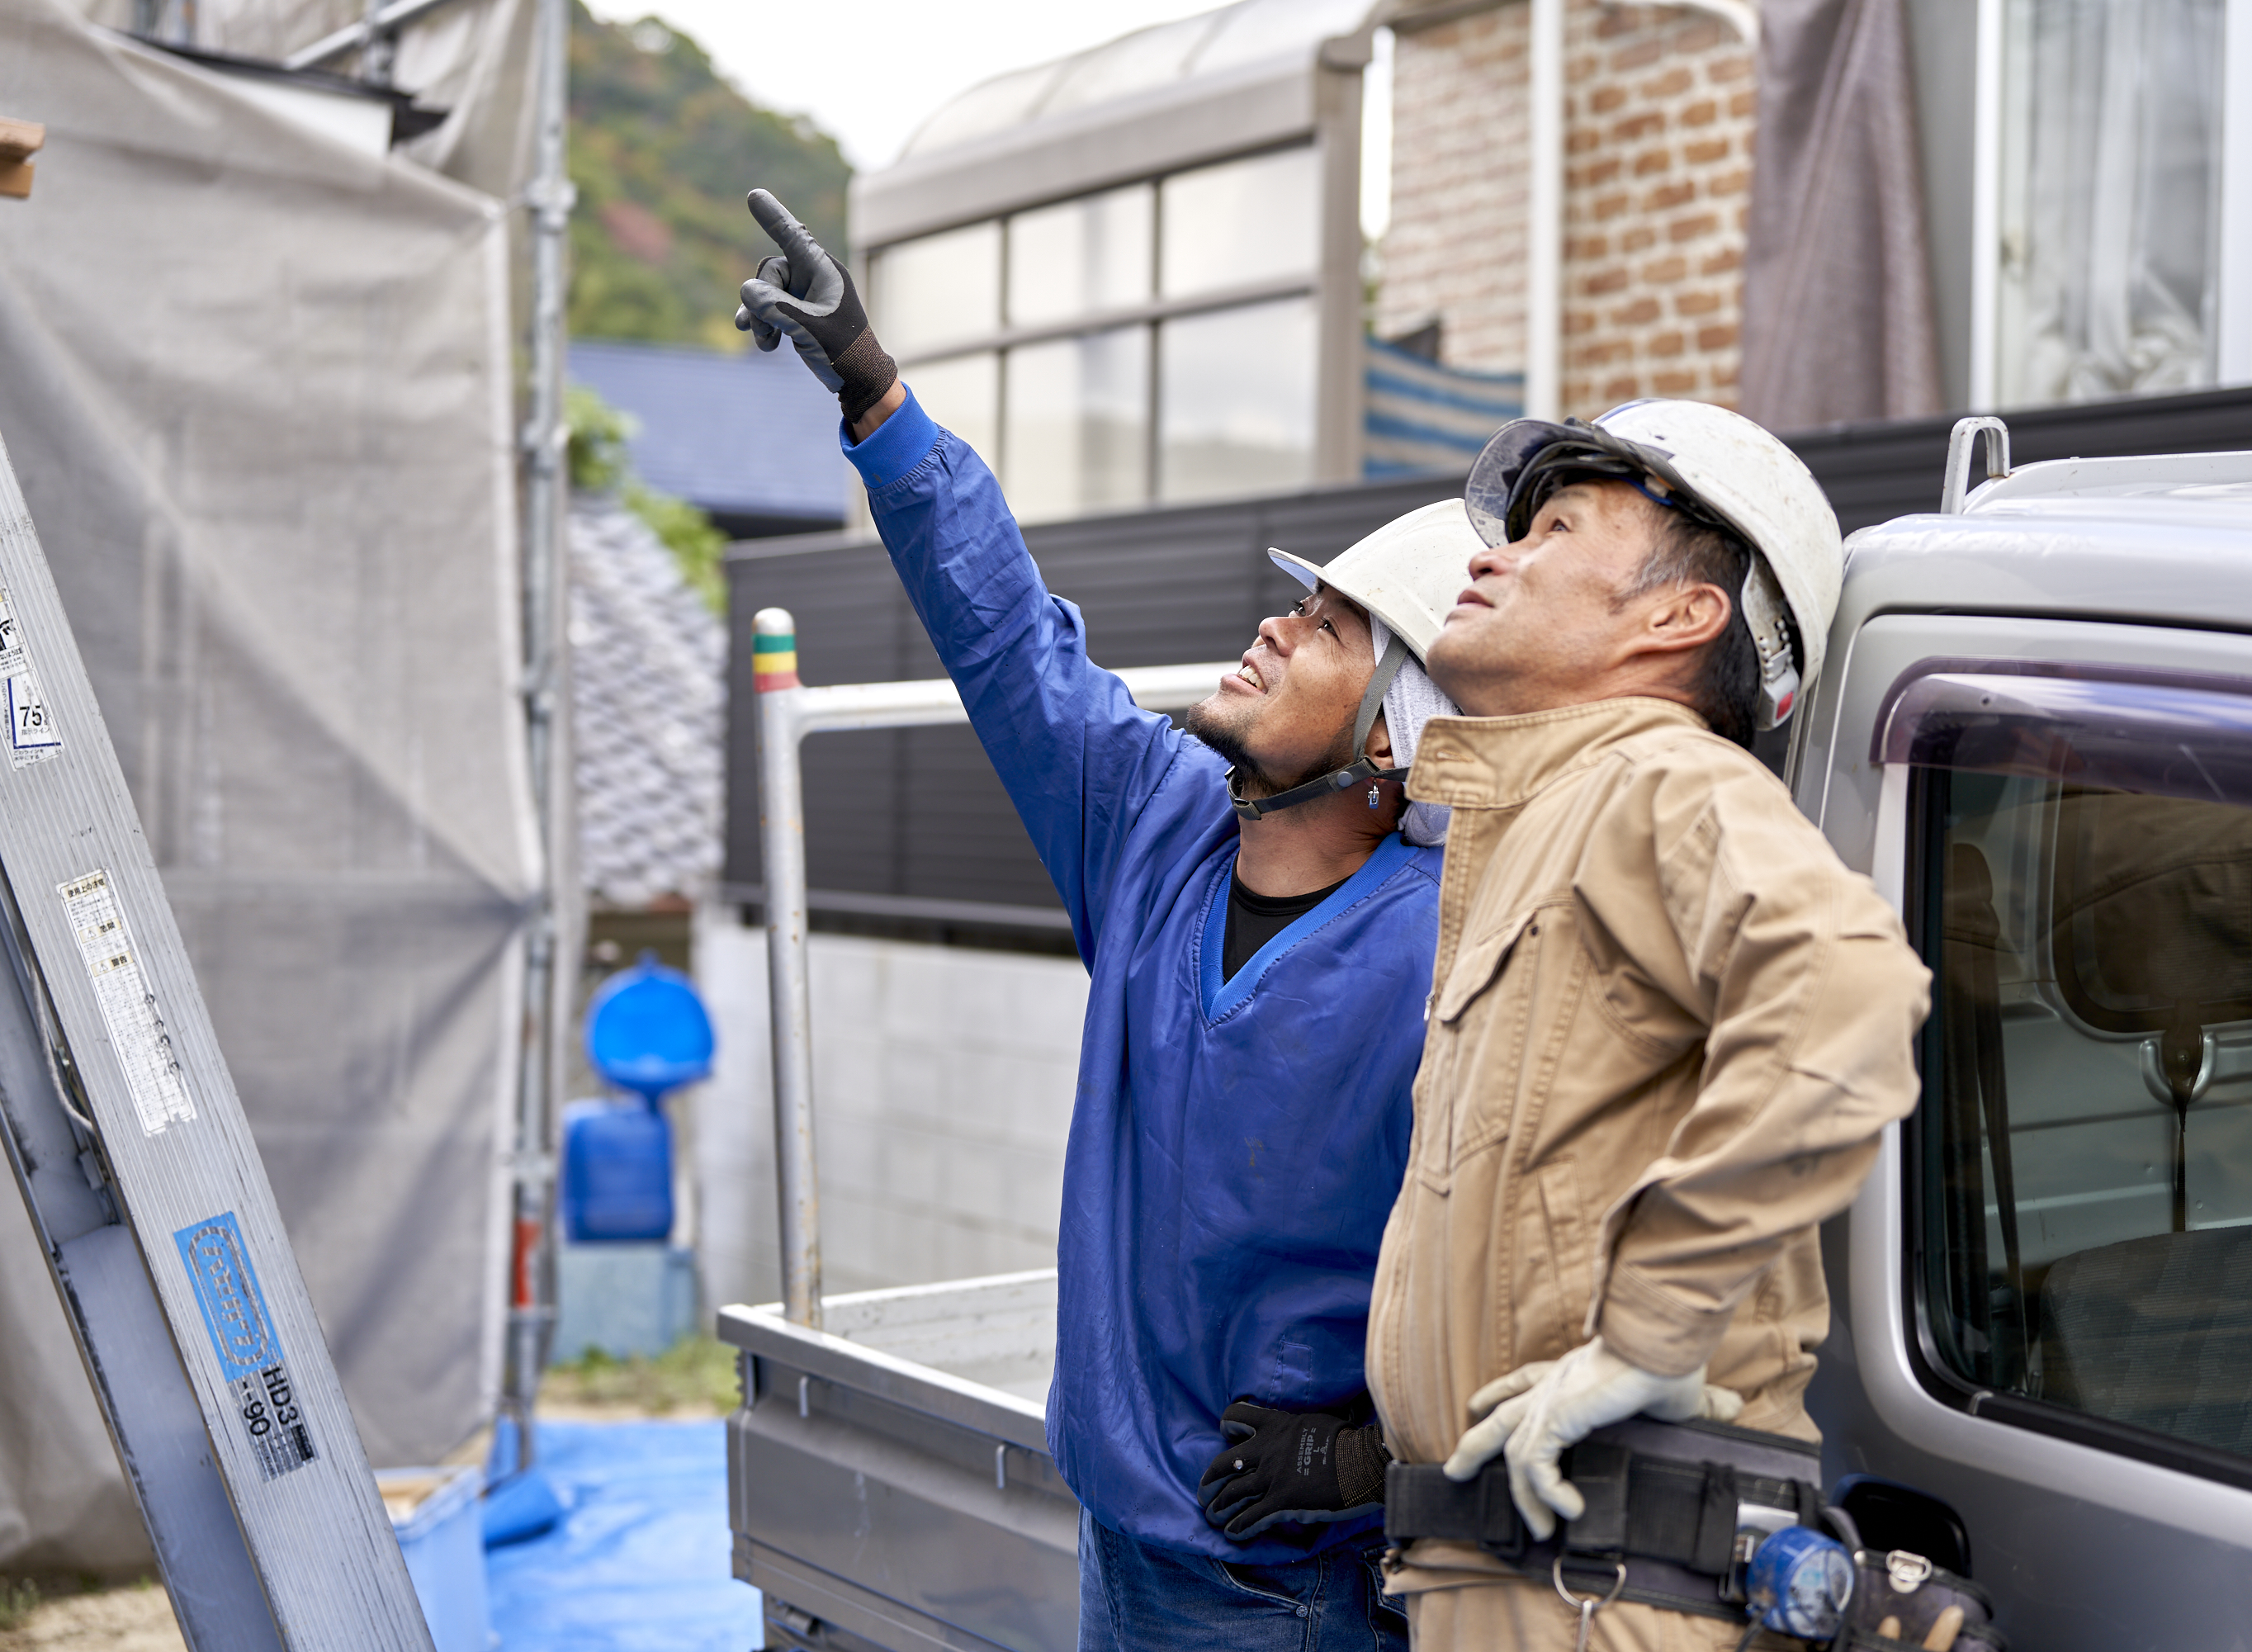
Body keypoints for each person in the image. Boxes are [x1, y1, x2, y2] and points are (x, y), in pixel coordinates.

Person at [732, 188, 1475, 1651]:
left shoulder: (1444, 956)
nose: (1271, 625)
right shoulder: (1157, 823)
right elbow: (1010, 636)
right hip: (1121, 1552)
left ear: (1394, 743)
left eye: (1324, 629)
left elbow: (1530, 1290)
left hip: (1300, 1590)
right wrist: (878, 390)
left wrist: (1376, 1461)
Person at [1363, 401, 1936, 1648]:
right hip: (1529, 1577)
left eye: (1554, 528)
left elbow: (1846, 990)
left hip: (1605, 1591)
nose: (1488, 555)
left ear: (1679, 616)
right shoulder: (1549, 816)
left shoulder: (1656, 778)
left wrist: (1649, 1330)